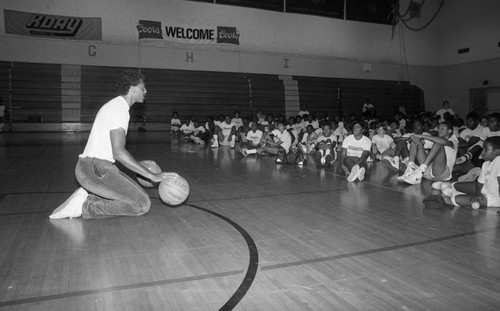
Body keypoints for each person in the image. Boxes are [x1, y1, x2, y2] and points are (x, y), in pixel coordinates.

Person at [50, 70, 177, 219]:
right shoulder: (119, 110)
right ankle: (84, 206)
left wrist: (140, 165)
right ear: (133, 88)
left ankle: (84, 199)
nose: (146, 91)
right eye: (143, 87)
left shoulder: (116, 106)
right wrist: (152, 175)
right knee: (141, 204)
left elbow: (112, 152)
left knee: (135, 199)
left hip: (96, 168)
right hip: (94, 169)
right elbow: (118, 152)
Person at [435, 137, 500, 208]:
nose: (482, 152)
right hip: (485, 189)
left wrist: (479, 196)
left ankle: (452, 192)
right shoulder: (486, 163)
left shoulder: (498, 160)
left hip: (495, 198)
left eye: (486, 150)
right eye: (483, 149)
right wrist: (478, 194)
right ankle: (452, 188)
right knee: (455, 185)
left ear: (497, 152)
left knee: (456, 200)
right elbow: (480, 184)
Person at [398, 120, 458, 185]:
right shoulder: (436, 139)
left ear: (449, 131)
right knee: (416, 141)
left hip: (441, 174)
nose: (439, 130)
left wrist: (421, 136)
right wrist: (415, 137)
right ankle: (410, 169)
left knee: (438, 144)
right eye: (439, 128)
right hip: (428, 172)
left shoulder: (454, 140)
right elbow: (419, 140)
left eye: (442, 129)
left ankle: (420, 171)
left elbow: (444, 142)